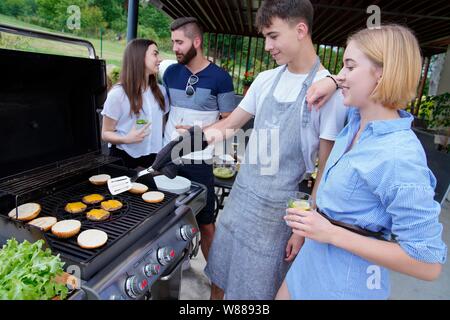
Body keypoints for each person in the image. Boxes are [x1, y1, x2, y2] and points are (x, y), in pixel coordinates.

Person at [152, 0, 347, 299]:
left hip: (278, 213)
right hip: (242, 196)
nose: (267, 45)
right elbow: (227, 127)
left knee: (256, 291)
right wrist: (182, 146)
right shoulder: (266, 80)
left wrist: (302, 228)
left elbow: (326, 168)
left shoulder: (326, 91)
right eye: (265, 37)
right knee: (219, 273)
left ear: (300, 30)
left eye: (273, 35)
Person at [279, 24, 447, 300]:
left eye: (349, 66)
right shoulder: (355, 122)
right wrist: (332, 82)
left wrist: (331, 234)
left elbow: (428, 264)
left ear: (380, 74)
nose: (342, 75)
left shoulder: (399, 156)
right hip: (307, 270)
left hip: (344, 288)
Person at [162, 17, 236, 261]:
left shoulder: (220, 78)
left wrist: (201, 131)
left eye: (180, 42)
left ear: (196, 41)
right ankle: (171, 267)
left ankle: (215, 282)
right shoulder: (171, 73)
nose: (175, 48)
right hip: (169, 157)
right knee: (166, 220)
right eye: (173, 42)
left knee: (205, 223)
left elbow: (230, 122)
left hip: (200, 161)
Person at [101, 39, 168, 169]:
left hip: (154, 158)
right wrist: (126, 139)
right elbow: (105, 133)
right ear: (139, 57)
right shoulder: (117, 94)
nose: (159, 59)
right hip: (123, 157)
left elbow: (162, 124)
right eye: (155, 54)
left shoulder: (161, 91)